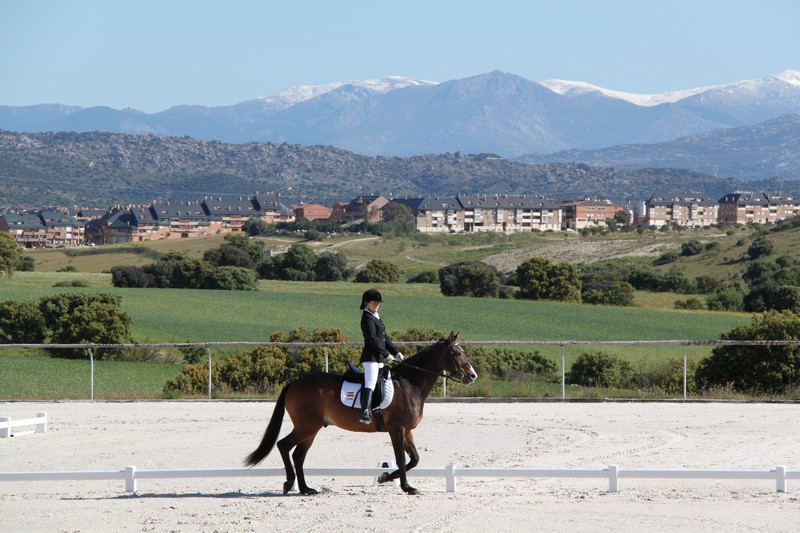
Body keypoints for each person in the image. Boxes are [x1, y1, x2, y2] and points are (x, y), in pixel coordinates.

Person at [358, 288, 403, 424]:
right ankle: (365, 411)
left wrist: (396, 352)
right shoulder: (366, 318)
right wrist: (386, 354)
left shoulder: (375, 316)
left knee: (383, 382)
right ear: (366, 302)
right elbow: (372, 339)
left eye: (378, 303)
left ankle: (378, 407)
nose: (377, 305)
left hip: (379, 358)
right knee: (371, 382)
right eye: (374, 303)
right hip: (371, 358)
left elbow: (384, 338)